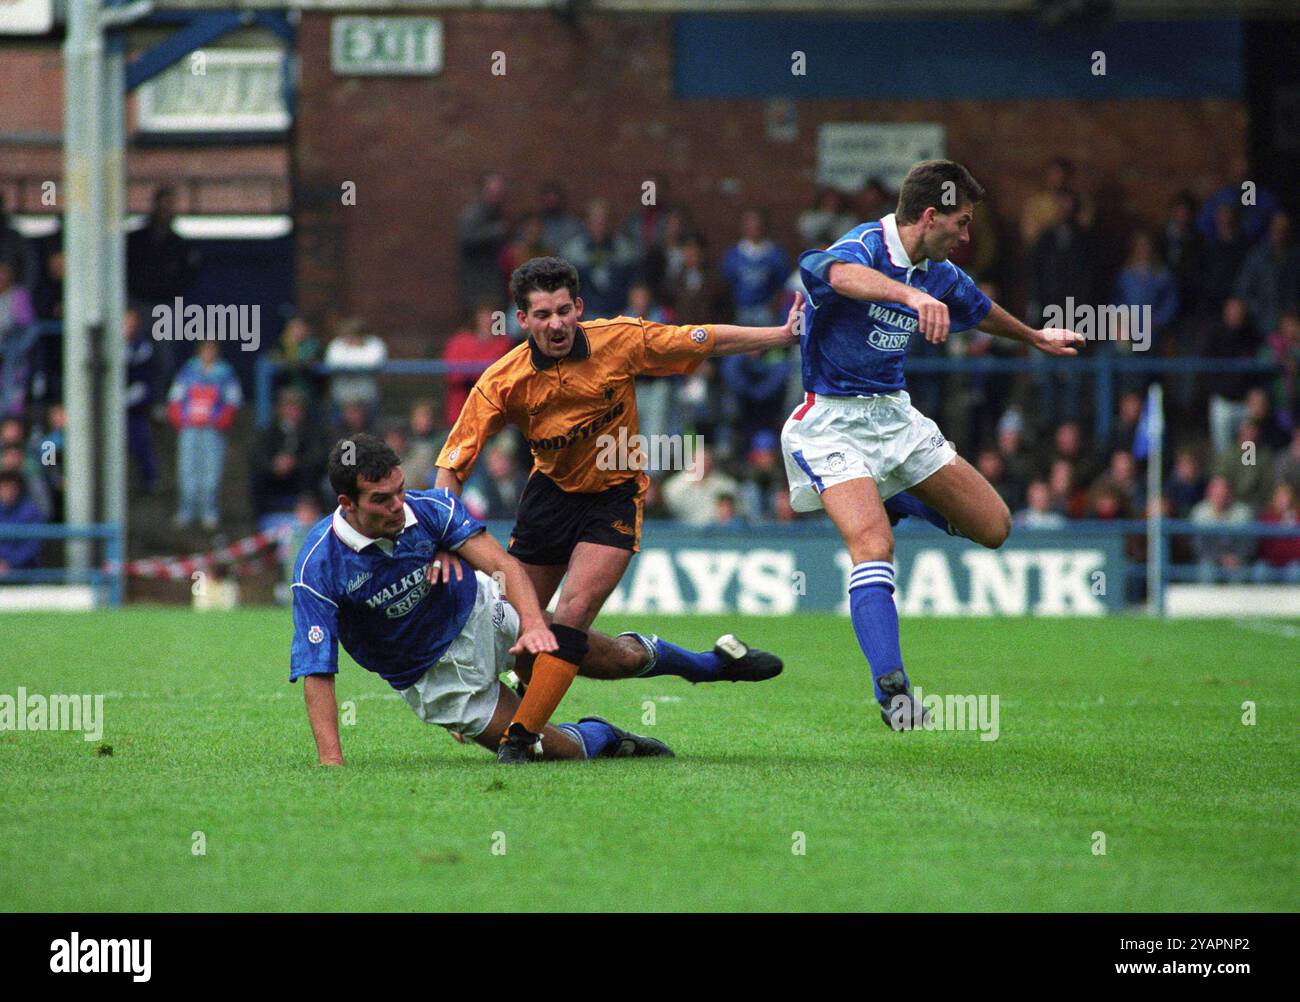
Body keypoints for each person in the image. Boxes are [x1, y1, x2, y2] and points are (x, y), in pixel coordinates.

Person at [434, 257, 795, 754]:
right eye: (542, 314)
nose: (556, 323)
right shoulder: (502, 380)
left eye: (564, 310)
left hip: (613, 495)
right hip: (548, 500)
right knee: (526, 636)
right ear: (523, 320)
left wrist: (779, 335)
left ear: (578, 307)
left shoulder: (618, 339)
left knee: (571, 619)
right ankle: (710, 665)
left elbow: (702, 338)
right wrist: (444, 541)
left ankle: (520, 740)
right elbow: (451, 467)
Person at [781, 159, 1082, 730]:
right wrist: (911, 298)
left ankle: (894, 495)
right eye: (961, 223)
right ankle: (893, 689)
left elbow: (980, 310)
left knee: (993, 527)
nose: (967, 236)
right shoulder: (865, 246)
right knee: (873, 547)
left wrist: (1034, 337)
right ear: (929, 216)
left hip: (896, 419)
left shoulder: (938, 269)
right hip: (832, 421)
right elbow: (836, 275)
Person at [293, 435, 782, 765]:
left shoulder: (426, 509)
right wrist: (332, 765)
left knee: (621, 658)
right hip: (434, 679)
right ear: (347, 505)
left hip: (485, 611)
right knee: (554, 754)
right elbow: (318, 671)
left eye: (400, 490)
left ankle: (711, 664)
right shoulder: (318, 567)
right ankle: (606, 734)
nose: (399, 506)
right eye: (382, 500)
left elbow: (504, 567)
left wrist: (531, 623)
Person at [168, 340, 242, 530]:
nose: (208, 353)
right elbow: (176, 396)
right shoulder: (188, 371)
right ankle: (186, 510)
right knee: (187, 468)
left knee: (211, 471)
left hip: (212, 429)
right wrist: (179, 417)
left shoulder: (225, 373)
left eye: (212, 349)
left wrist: (223, 418)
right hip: (190, 428)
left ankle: (209, 511)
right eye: (205, 349)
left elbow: (233, 399)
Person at [0, 469, 43, 579]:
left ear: (18, 488)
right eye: (4, 487)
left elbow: (33, 544)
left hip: (24, 574)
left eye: (11, 487)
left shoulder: (30, 511)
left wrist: (10, 563)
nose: (7, 491)